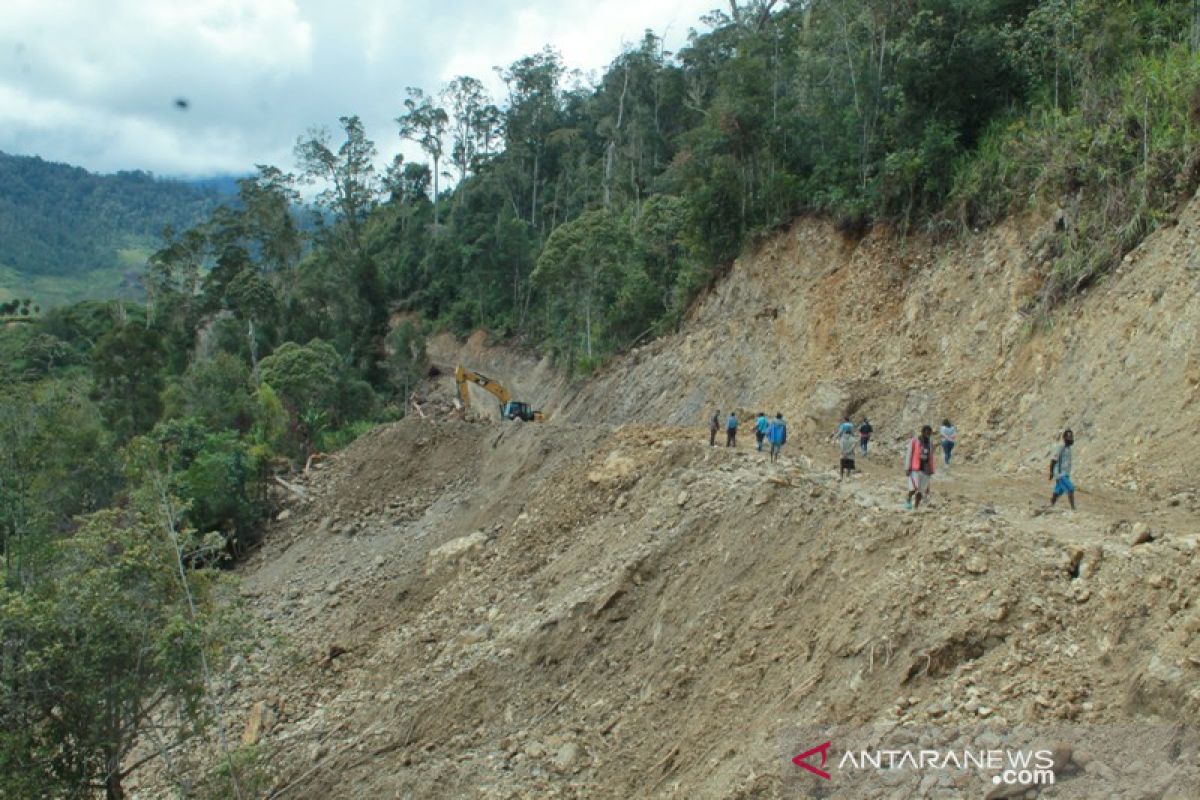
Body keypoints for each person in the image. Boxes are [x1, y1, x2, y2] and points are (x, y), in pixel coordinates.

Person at [905, 425, 936, 510]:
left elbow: (932, 456)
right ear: (922, 432)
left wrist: (932, 469)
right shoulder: (914, 441)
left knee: (921, 491)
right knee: (913, 488)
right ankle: (908, 498)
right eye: (925, 432)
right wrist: (907, 468)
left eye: (929, 433)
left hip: (926, 469)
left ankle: (916, 507)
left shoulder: (930, 443)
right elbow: (909, 454)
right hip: (915, 468)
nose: (927, 434)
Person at [1049, 429, 1076, 510]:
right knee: (1071, 488)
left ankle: (1051, 504)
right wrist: (1051, 473)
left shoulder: (1068, 449)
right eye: (1068, 437)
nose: (1070, 439)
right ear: (1064, 438)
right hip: (1061, 474)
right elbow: (1053, 460)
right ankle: (1073, 508)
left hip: (1066, 474)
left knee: (1059, 491)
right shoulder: (1061, 448)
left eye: (1071, 437)